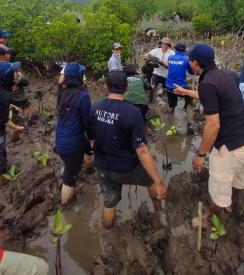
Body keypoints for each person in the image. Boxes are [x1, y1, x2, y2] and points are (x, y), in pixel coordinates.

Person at [174, 43, 244, 220]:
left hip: (229, 148)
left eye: (190, 59)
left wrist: (201, 154)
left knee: (218, 191)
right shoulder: (223, 74)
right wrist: (185, 91)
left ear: (195, 63)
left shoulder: (207, 83)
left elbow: (213, 126)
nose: (189, 62)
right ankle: (231, 205)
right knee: (237, 179)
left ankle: (206, 217)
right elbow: (210, 96)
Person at [87, 70, 167, 229]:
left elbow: (91, 140)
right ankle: (159, 215)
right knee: (151, 182)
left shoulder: (94, 108)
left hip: (102, 166)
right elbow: (142, 151)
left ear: (105, 86)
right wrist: (159, 181)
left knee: (109, 202)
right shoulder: (132, 113)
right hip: (126, 168)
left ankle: (107, 233)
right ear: (127, 87)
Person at [56, 62, 91, 205]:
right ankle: (65, 206)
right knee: (70, 177)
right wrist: (94, 138)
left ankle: (87, 167)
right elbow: (87, 122)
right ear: (79, 77)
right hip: (72, 144)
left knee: (86, 147)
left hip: (60, 140)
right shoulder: (83, 96)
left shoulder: (63, 93)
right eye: (82, 73)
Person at [0, 62, 24, 183]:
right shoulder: (5, 95)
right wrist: (17, 128)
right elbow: (4, 121)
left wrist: (12, 105)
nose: (15, 74)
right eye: (13, 73)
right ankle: (3, 179)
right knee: (1, 154)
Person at [165, 43, 193, 115]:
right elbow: (191, 72)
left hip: (168, 86)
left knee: (171, 105)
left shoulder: (170, 57)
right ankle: (186, 108)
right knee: (190, 92)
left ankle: (169, 119)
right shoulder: (186, 59)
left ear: (175, 49)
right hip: (179, 88)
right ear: (184, 51)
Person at [146, 37, 175, 101]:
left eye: (166, 44)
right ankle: (149, 101)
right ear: (161, 44)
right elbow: (147, 55)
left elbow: (167, 66)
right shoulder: (156, 50)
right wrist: (149, 59)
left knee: (168, 91)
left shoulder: (172, 53)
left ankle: (166, 99)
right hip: (157, 73)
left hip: (166, 74)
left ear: (168, 45)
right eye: (163, 44)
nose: (164, 46)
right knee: (152, 87)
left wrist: (159, 61)